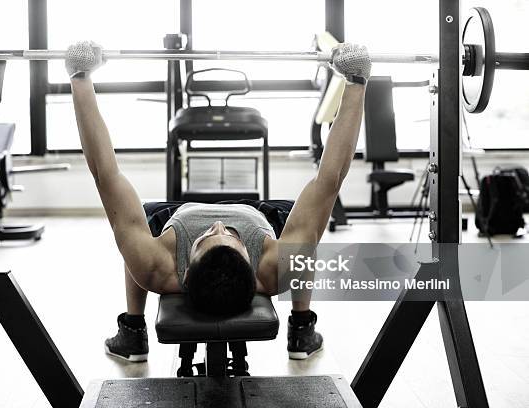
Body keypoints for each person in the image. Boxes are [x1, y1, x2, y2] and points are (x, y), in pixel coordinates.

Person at [66, 42, 370, 362]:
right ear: (255, 278)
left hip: (177, 218)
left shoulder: (158, 266)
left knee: (133, 229)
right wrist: (357, 83)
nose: (219, 224)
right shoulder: (271, 269)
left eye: (207, 237)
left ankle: (132, 330)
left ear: (183, 275)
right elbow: (330, 179)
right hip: (260, 218)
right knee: (303, 240)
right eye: (230, 237)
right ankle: (302, 325)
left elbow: (105, 174)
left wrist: (80, 77)